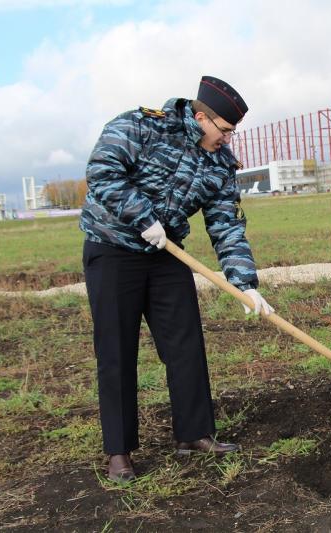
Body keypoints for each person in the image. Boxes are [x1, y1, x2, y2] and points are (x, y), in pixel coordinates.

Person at [80, 76, 273, 482]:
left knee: (185, 342)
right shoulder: (142, 125)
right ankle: (119, 452)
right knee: (116, 350)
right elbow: (102, 171)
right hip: (113, 249)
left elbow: (226, 226)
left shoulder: (221, 164)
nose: (227, 139)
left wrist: (244, 282)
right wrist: (142, 218)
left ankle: (194, 434)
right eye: (224, 130)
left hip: (166, 254)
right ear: (202, 117)